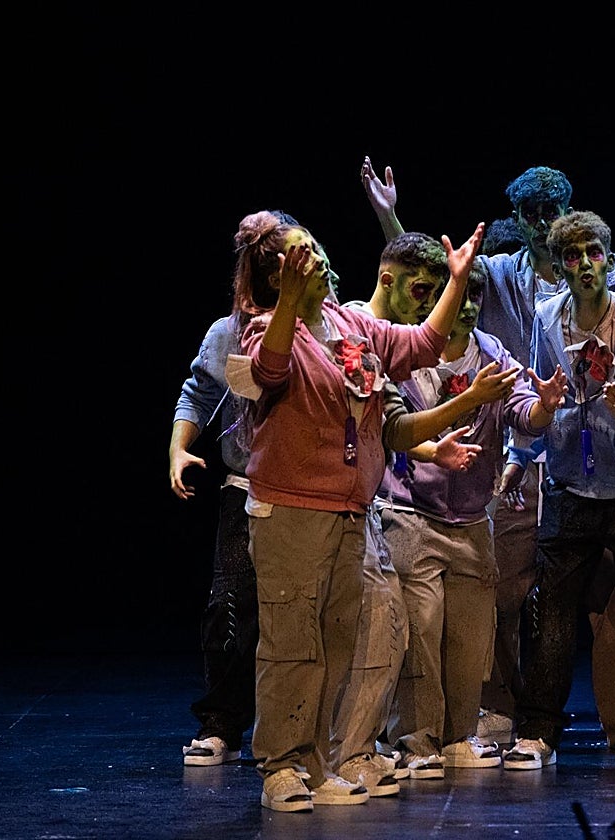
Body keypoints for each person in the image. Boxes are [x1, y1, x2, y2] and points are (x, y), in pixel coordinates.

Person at [362, 160, 615, 754]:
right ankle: (524, 722)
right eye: (532, 215)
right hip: (555, 466)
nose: (546, 228)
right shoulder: (520, 292)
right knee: (533, 602)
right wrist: (388, 213)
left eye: (554, 214)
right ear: (521, 219)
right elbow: (436, 275)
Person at [236, 216, 484, 813]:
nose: (317, 258)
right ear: (277, 275)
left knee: (336, 642)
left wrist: (454, 282)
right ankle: (281, 767)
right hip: (291, 511)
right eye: (300, 257)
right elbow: (268, 374)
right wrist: (290, 304)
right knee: (292, 644)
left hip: (348, 510)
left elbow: (420, 343)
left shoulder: (351, 324)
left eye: (315, 247)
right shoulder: (266, 329)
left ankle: (317, 760)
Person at [374, 260, 568, 778]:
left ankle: (459, 735)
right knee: (421, 632)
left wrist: (545, 408)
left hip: (471, 521)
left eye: (475, 297)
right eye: (457, 295)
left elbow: (522, 412)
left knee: (468, 638)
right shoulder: (406, 350)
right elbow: (395, 424)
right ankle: (417, 742)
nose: (468, 306)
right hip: (412, 514)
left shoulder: (493, 353)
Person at [501, 210, 615, 772]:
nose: (584, 266)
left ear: (608, 255)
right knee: (551, 616)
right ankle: (537, 733)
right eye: (571, 256)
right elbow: (537, 394)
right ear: (557, 264)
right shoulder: (546, 320)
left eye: (593, 253)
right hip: (571, 489)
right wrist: (520, 456)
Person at [170, 209, 292, 768]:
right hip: (243, 490)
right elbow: (196, 391)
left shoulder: (317, 327)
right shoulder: (227, 333)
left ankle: (294, 730)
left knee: (292, 612)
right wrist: (179, 446)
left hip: (302, 493)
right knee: (229, 609)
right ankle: (222, 724)